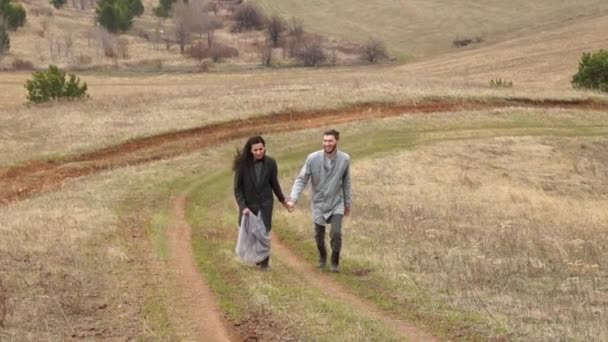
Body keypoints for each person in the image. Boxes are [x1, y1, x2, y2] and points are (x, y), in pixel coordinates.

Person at [287, 129, 352, 273]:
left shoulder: (345, 159)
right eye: (325, 141)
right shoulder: (312, 158)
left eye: (330, 141)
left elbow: (347, 183)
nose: (327, 144)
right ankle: (322, 256)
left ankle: (335, 262)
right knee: (319, 236)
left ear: (336, 141)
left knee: (336, 233)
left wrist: (347, 203)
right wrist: (293, 199)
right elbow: (301, 180)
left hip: (336, 202)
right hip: (318, 203)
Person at [233, 135, 288, 270]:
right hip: (249, 206)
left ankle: (264, 263)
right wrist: (243, 206)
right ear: (250, 151)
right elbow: (237, 188)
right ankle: (257, 258)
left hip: (265, 204)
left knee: (263, 233)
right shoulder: (243, 165)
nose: (258, 152)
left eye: (261, 149)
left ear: (264, 148)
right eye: (255, 150)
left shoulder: (270, 163)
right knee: (252, 234)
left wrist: (283, 200)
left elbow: (274, 184)